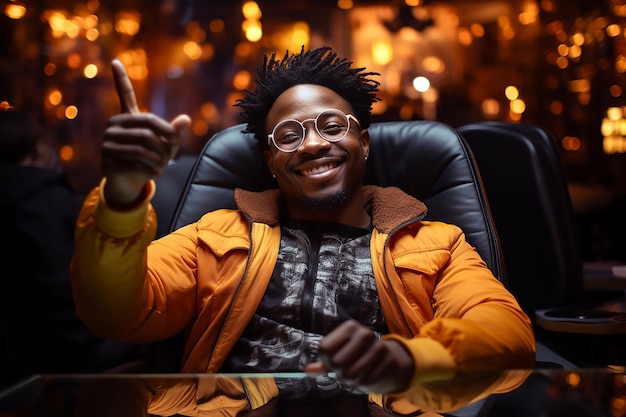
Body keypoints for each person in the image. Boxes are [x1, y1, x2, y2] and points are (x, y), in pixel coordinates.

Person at [70, 46, 536, 415]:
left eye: (332, 127)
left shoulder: (436, 242)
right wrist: (123, 197)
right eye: (289, 136)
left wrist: (415, 360)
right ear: (271, 162)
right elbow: (117, 312)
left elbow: (504, 332)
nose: (313, 143)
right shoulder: (216, 234)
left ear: (363, 142)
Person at [0, 109, 135, 389]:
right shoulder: (44, 204)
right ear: (37, 149)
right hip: (68, 365)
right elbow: (70, 307)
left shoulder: (22, 202)